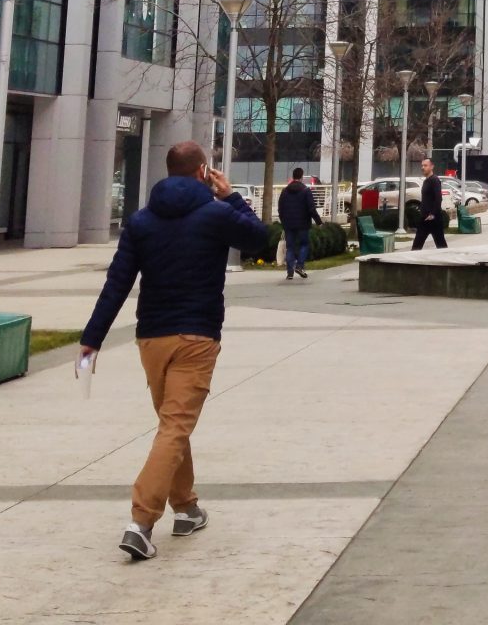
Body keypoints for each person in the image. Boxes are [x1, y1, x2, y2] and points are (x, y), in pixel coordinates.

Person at [81, 139, 268, 561]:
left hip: (151, 339)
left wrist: (92, 337)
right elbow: (259, 238)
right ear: (203, 171)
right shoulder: (217, 213)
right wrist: (233, 196)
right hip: (197, 337)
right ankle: (142, 522)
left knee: (172, 423)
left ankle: (186, 508)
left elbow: (118, 282)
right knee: (175, 427)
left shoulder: (142, 220)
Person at [276, 167, 319, 281]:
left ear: (293, 176)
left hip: (288, 224)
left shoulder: (285, 191)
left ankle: (290, 273)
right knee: (304, 244)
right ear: (301, 177)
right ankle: (300, 266)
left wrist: (283, 221)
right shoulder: (306, 191)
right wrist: (318, 222)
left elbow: (280, 208)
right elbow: (311, 209)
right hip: (303, 224)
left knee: (290, 247)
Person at [413, 156, 449, 250]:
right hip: (425, 218)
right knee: (417, 245)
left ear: (432, 166)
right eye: (422, 165)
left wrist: (433, 214)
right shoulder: (426, 181)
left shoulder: (434, 180)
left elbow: (438, 198)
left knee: (441, 244)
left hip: (433, 219)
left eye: (425, 165)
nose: (423, 167)